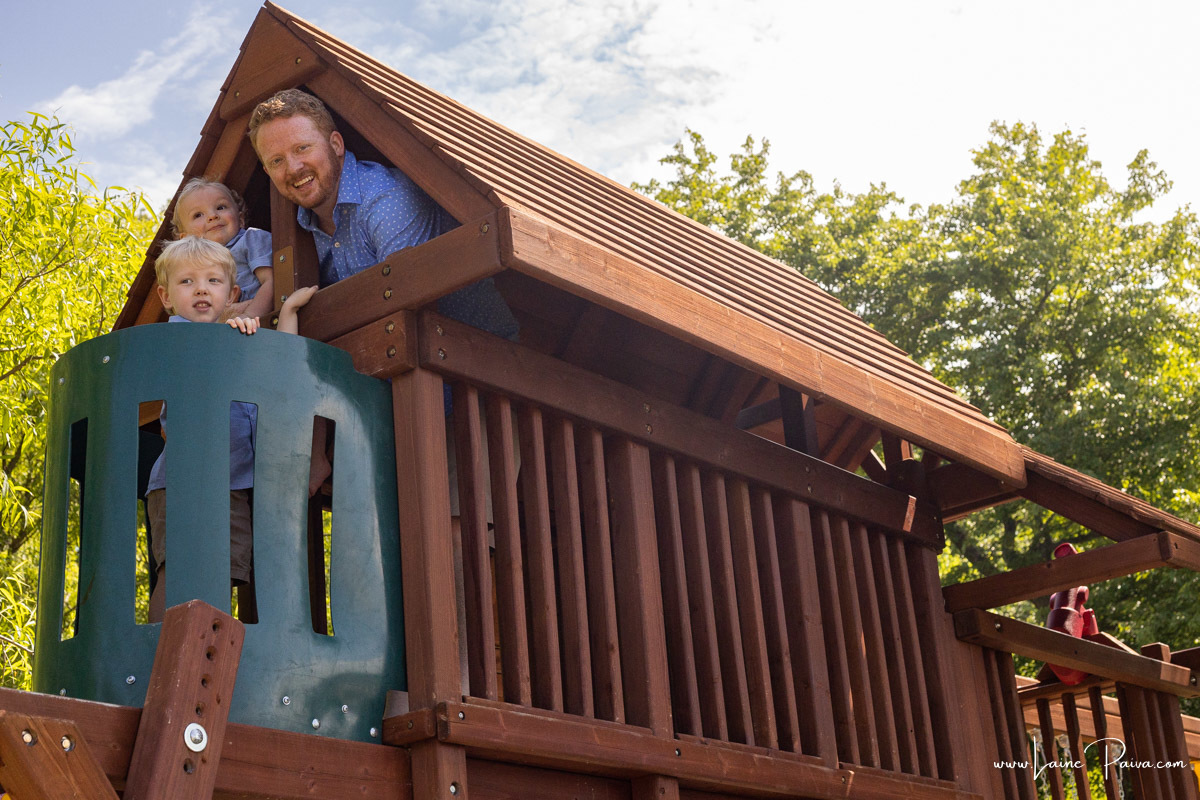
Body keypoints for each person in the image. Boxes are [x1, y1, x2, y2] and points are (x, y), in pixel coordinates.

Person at [144, 236, 315, 622]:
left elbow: (280, 367)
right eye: (187, 282)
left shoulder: (235, 338)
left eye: (213, 281)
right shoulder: (174, 337)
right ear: (167, 296)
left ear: (232, 293)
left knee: (223, 577)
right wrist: (231, 341)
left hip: (233, 485)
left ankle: (202, 665)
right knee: (179, 573)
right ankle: (156, 656)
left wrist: (286, 312)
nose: (201, 288)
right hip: (182, 481)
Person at [171, 178, 275, 321]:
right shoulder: (195, 269)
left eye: (221, 207)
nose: (213, 216)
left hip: (252, 323)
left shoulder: (250, 239)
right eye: (198, 215)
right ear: (186, 239)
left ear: (241, 219)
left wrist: (248, 315)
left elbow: (273, 281)